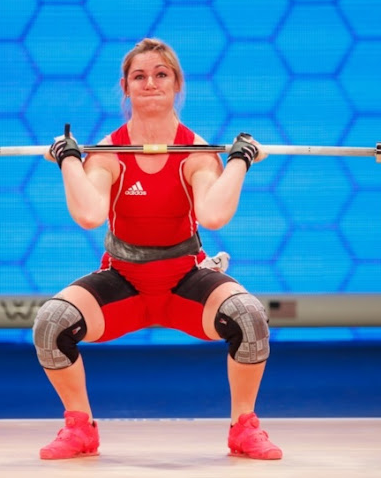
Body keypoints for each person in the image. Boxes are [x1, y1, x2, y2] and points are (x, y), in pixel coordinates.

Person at [34, 38, 281, 460]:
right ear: (126, 87)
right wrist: (70, 161)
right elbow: (90, 214)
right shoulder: (108, 153)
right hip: (123, 282)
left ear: (176, 84)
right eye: (139, 76)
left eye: (161, 74)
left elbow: (214, 215)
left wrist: (238, 161)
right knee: (50, 324)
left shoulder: (198, 153)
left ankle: (244, 428)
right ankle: (79, 428)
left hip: (185, 281)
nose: (150, 83)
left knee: (250, 317)